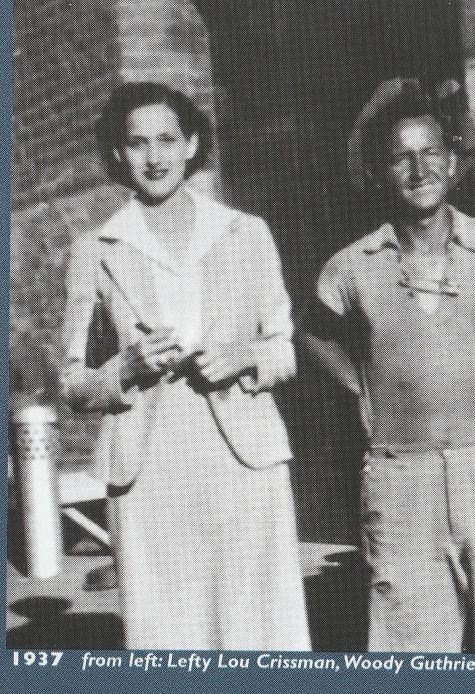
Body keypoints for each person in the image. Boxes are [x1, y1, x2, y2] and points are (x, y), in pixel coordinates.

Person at [61, 82, 310, 650]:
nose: (154, 158)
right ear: (119, 153)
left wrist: (245, 357)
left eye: (167, 140)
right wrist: (124, 368)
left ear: (191, 145)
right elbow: (71, 382)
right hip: (150, 469)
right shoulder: (96, 248)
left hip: (242, 458)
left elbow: (284, 349)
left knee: (258, 629)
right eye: (138, 144)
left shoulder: (245, 233)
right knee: (169, 635)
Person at [302, 79, 475, 652]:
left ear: (454, 163)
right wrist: (360, 387)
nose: (418, 170)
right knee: (413, 640)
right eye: (400, 158)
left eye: (430, 152)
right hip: (401, 475)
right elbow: (313, 333)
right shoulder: (353, 265)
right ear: (380, 173)